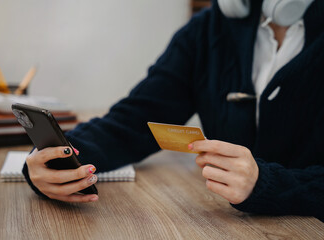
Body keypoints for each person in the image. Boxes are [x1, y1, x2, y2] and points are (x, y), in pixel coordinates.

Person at [22, 0, 324, 221]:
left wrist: (269, 184)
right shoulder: (207, 30)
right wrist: (60, 157)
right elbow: (135, 120)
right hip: (231, 228)